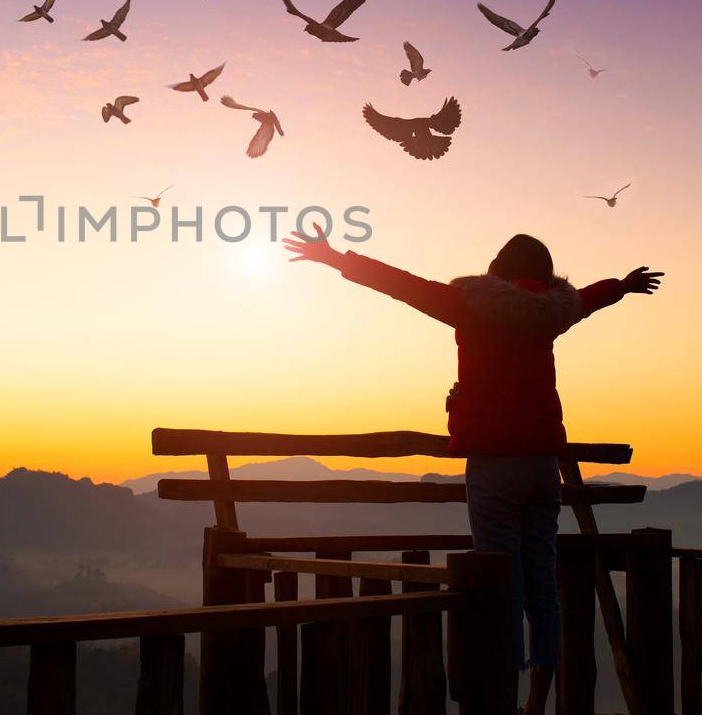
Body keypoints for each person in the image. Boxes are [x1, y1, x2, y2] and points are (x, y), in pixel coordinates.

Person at [281, 226, 662, 713]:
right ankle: (539, 695)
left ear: (496, 270)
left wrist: (333, 256)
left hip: (494, 463)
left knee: (499, 577)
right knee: (541, 576)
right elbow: (585, 299)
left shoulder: (470, 304)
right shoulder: (553, 314)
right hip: (544, 465)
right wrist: (621, 286)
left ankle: (500, 694)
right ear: (545, 275)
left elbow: (400, 283)